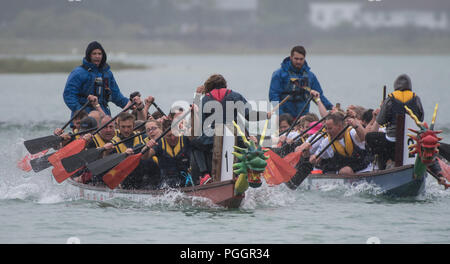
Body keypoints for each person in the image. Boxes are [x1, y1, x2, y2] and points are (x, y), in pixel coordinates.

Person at [193, 74, 271, 185]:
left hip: (212, 138)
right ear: (225, 85)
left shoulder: (205, 99)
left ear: (210, 86)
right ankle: (250, 176)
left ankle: (205, 175)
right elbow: (249, 116)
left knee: (194, 145)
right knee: (250, 146)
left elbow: (201, 125)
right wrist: (266, 115)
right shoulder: (235, 96)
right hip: (235, 138)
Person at [365, 74, 424, 170]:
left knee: (369, 137)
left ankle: (384, 165)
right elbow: (421, 118)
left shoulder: (390, 98)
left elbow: (381, 120)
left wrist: (382, 106)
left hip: (391, 141)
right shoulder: (416, 98)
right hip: (411, 141)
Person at [63, 41, 130, 120]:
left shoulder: (107, 74)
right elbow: (69, 95)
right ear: (89, 55)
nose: (97, 56)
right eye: (94, 54)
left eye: (99, 54)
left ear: (103, 55)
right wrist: (81, 112)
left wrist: (133, 104)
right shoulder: (78, 73)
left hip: (104, 116)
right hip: (83, 118)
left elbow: (117, 96)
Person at [269, 45, 333, 118]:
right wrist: (281, 116)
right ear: (291, 58)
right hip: (284, 117)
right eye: (296, 59)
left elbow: (319, 95)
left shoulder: (310, 76)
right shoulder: (279, 74)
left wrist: (331, 107)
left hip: (303, 117)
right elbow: (273, 97)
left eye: (301, 59)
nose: (298, 61)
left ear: (304, 59)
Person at [143, 119, 193, 188]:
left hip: (186, 179)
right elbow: (145, 156)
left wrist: (193, 114)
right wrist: (147, 147)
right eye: (169, 136)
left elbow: (194, 133)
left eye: (174, 134)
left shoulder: (185, 139)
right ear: (163, 134)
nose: (173, 138)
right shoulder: (160, 143)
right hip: (167, 183)